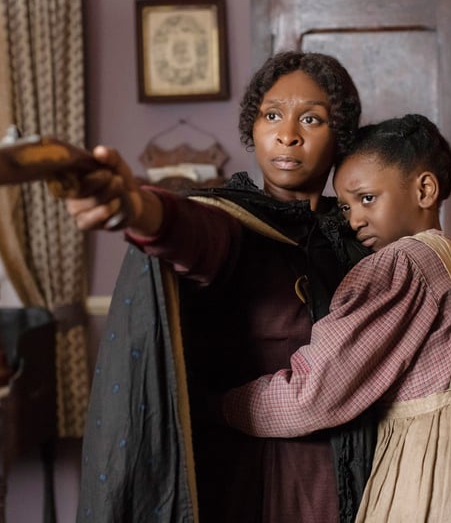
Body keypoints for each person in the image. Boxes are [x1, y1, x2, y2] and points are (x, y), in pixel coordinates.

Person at [65, 51, 377, 523]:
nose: (287, 134)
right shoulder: (232, 224)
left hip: (352, 471)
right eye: (272, 115)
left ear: (341, 138)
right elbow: (185, 230)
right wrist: (130, 206)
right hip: (246, 478)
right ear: (252, 128)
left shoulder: (357, 237)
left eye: (310, 119)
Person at [216, 113, 451, 522]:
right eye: (344, 206)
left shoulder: (402, 264)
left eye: (367, 199)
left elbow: (315, 394)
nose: (354, 220)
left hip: (429, 472)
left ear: (425, 189)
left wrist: (224, 404)